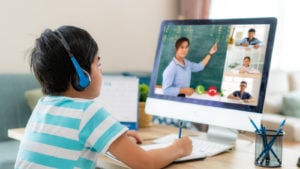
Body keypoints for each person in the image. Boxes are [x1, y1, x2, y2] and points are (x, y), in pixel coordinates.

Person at [15, 26, 192, 169]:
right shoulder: (87, 112)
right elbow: (145, 163)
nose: (101, 70)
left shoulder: (43, 105)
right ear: (81, 76)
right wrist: (179, 148)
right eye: (98, 64)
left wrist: (114, 136)